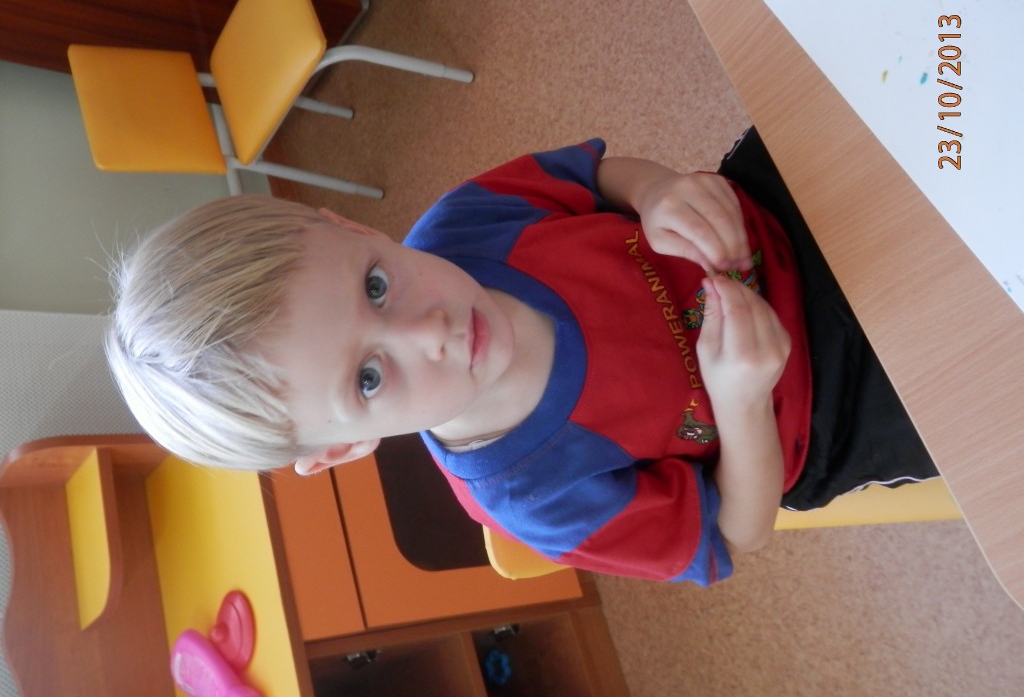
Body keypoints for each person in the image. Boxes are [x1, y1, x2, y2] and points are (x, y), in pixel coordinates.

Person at [106, 127, 937, 585]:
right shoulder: (535, 498)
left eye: (375, 286)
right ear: (342, 449)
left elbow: (600, 179)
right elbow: (738, 531)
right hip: (836, 404)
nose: (428, 332)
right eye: (368, 378)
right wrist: (743, 402)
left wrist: (655, 192)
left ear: (352, 228)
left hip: (777, 208)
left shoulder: (464, 223)